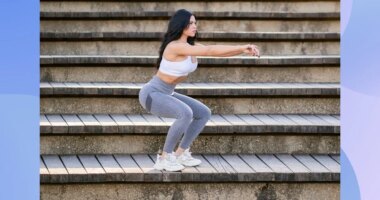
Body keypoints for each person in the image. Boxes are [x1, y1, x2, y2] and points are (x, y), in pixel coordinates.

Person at [138, 9, 260, 172]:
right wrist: (241, 46)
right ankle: (164, 158)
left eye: (195, 22)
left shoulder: (191, 46)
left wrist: (242, 50)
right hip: (152, 94)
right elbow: (209, 50)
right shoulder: (174, 47)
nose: (194, 26)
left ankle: (180, 153)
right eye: (190, 23)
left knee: (203, 112)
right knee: (186, 113)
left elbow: (214, 51)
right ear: (181, 25)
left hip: (167, 92)